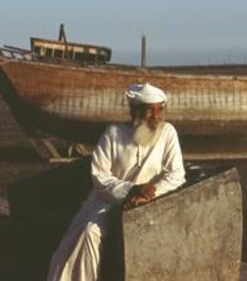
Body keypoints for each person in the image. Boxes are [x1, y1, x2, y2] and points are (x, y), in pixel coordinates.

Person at [47, 83, 186, 281]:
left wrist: (150, 193)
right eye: (149, 110)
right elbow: (99, 175)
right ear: (134, 111)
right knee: (89, 232)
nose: (156, 116)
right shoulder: (113, 134)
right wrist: (131, 190)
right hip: (108, 201)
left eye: (160, 109)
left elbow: (176, 174)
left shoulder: (167, 132)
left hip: (151, 201)